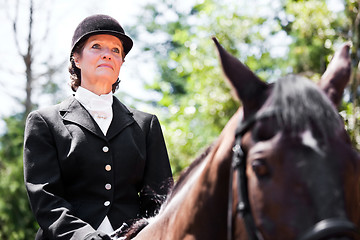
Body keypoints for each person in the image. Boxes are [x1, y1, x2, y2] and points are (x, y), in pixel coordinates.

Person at [23, 14, 173, 240]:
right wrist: (85, 237)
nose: (108, 54)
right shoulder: (45, 122)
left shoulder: (146, 125)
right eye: (96, 46)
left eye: (116, 50)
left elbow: (159, 199)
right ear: (76, 59)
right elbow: (46, 200)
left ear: (121, 62)